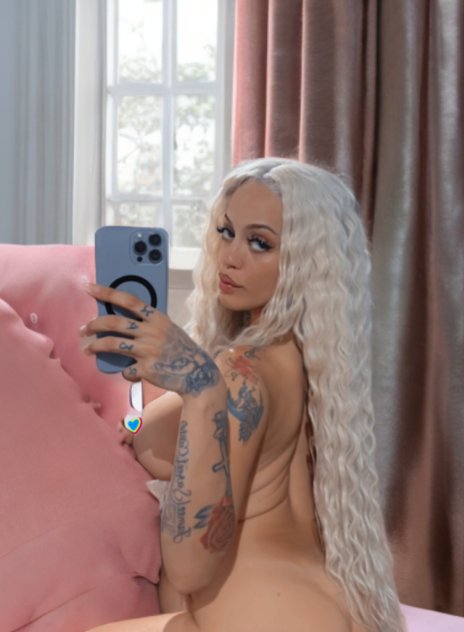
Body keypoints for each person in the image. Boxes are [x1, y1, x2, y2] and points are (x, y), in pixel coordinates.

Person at [81, 158, 405, 632]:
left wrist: (199, 389)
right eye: (226, 232)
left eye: (260, 243)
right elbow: (146, 428)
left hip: (257, 613)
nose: (231, 257)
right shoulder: (307, 367)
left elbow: (189, 568)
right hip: (323, 602)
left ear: (307, 263)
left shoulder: (236, 373)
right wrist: (145, 409)